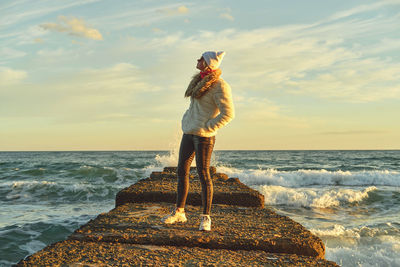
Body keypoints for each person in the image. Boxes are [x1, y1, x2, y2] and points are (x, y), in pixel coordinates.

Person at [161, 51, 235, 231]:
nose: (197, 60)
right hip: (189, 131)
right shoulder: (198, 82)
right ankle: (180, 212)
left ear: (208, 63)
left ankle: (205, 218)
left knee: (203, 175)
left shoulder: (220, 85)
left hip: (204, 136)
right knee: (181, 171)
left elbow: (229, 114)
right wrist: (187, 120)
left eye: (201, 59)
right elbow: (193, 107)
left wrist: (209, 127)